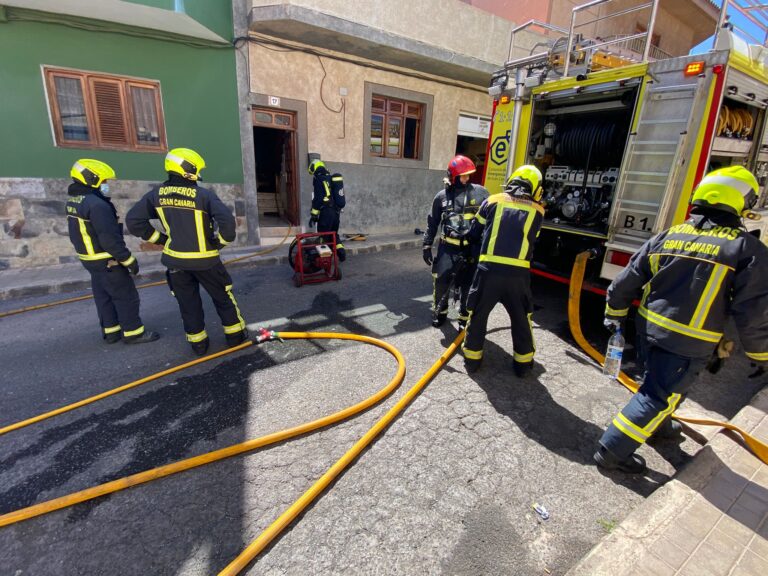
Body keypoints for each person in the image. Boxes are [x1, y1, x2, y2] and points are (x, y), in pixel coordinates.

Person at [595, 166, 768, 473]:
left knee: (658, 383)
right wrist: (761, 354)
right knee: (658, 395)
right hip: (688, 342)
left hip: (648, 329)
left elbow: (627, 280)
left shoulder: (670, 235)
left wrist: (615, 314)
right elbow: (753, 311)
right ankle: (611, 451)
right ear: (740, 201)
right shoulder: (745, 249)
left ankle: (659, 427)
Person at [126, 148, 247, 356]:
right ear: (188, 169)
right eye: (197, 168)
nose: (199, 172)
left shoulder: (156, 195)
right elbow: (227, 223)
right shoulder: (203, 195)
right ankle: (235, 337)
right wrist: (220, 242)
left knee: (188, 304)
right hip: (206, 261)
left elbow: (133, 221)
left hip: (176, 263)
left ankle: (199, 345)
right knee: (223, 297)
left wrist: (162, 240)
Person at [461, 165, 544, 376]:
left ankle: (472, 360)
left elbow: (474, 232)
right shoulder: (538, 211)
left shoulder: (492, 201)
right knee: (521, 318)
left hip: (488, 271)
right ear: (534, 187)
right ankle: (523, 364)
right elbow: (533, 239)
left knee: (478, 315)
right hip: (518, 276)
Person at [66, 159, 159, 345]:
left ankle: (111, 331)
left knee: (104, 296)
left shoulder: (74, 201)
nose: (106, 185)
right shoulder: (97, 205)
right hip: (107, 260)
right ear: (92, 179)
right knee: (126, 296)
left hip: (90, 259)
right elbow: (109, 238)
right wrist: (128, 260)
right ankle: (133, 333)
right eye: (103, 181)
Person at [423, 155, 489, 328]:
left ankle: (464, 319)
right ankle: (441, 313)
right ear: (453, 176)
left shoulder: (481, 193)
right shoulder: (441, 197)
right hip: (448, 248)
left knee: (469, 285)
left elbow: (490, 220)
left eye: (468, 175)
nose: (466, 179)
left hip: (472, 248)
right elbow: (432, 222)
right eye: (463, 176)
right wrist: (426, 245)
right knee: (441, 281)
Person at [308, 159, 346, 262]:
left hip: (326, 213)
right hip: (336, 212)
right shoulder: (330, 178)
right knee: (334, 234)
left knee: (323, 236)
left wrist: (314, 214)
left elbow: (318, 199)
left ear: (314, 169)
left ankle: (324, 261)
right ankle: (341, 252)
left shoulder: (319, 179)